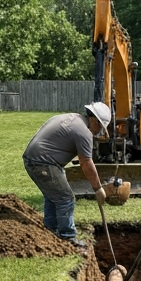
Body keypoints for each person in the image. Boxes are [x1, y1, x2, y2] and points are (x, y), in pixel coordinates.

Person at [22, 102, 109, 243]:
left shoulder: (74, 119)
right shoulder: (83, 132)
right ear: (93, 119)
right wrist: (98, 188)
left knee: (54, 197)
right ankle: (67, 237)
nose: (99, 130)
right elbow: (86, 163)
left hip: (36, 160)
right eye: (100, 126)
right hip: (43, 163)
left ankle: (50, 230)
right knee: (66, 198)